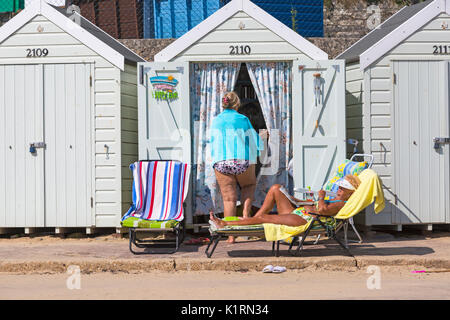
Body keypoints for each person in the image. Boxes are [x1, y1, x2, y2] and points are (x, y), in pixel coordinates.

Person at [209, 174, 361, 229]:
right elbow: (318, 206)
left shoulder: (342, 203)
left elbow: (322, 211)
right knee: (276, 188)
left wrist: (321, 196)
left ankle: (226, 224)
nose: (339, 190)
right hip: (300, 212)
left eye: (342, 189)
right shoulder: (337, 199)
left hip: (304, 219)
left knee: (265, 219)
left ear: (350, 193)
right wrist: (297, 201)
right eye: (339, 188)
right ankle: (250, 220)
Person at [210, 92, 263, 243]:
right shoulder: (242, 119)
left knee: (229, 199)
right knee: (248, 186)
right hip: (241, 159)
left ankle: (231, 236)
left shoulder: (216, 121)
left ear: (223, 104)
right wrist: (259, 149)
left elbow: (212, 141)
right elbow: (254, 139)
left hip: (221, 161)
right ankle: (246, 221)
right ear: (237, 104)